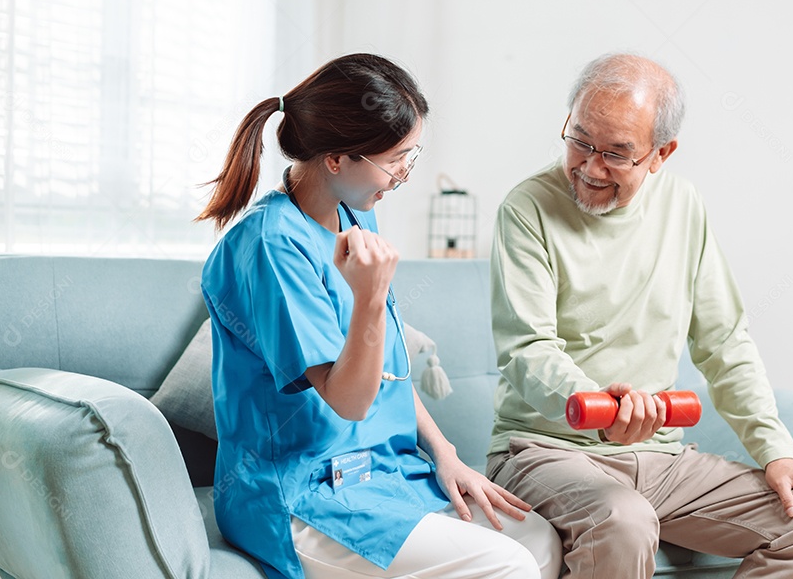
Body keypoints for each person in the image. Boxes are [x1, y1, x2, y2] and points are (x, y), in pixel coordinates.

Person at [485, 53, 793, 578]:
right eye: (580, 140)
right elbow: (529, 350)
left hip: (661, 459)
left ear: (661, 154)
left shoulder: (685, 207)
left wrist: (777, 451)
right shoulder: (527, 208)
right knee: (624, 520)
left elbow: (725, 344)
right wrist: (596, 406)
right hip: (547, 451)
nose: (591, 168)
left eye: (617, 153)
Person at [195, 54, 561, 579]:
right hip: (304, 494)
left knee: (537, 538)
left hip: (385, 473)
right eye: (395, 160)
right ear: (338, 159)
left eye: (410, 157)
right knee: (506, 564)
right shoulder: (270, 246)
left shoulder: (355, 209)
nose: (402, 176)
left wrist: (445, 453)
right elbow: (349, 399)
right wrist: (369, 298)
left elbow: (386, 370)